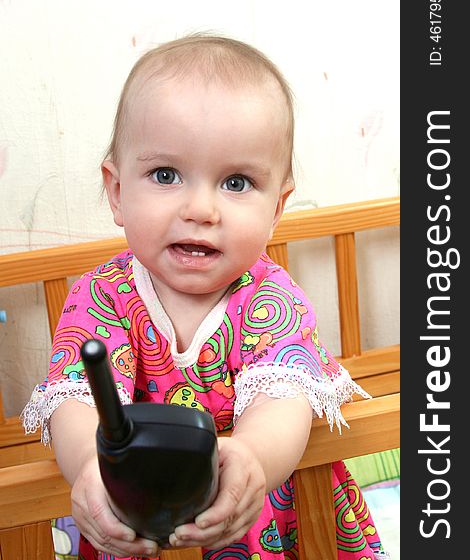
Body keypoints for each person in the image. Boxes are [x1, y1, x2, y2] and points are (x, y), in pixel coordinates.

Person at [22, 34, 389, 560]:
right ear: (118, 191)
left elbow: (283, 397)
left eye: (236, 183)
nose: (201, 209)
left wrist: (252, 456)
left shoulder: (271, 297)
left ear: (277, 209)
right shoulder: (100, 297)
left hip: (261, 524)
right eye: (166, 175)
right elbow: (77, 400)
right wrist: (90, 467)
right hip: (136, 512)